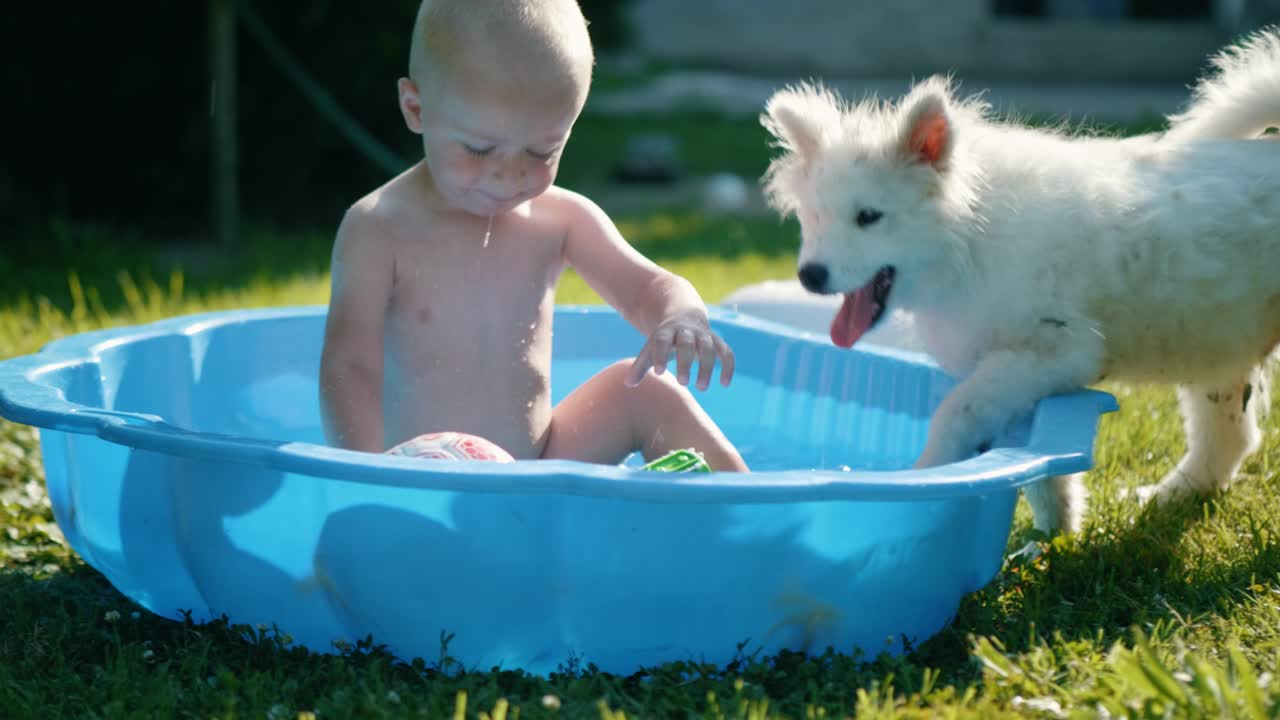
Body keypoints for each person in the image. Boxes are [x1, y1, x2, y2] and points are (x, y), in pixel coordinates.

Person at [318, 0, 748, 471]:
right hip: (424, 475)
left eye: (542, 151)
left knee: (645, 389)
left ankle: (746, 516)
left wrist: (680, 317)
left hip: (539, 463)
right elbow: (349, 368)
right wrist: (368, 473)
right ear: (416, 109)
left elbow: (648, 287)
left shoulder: (559, 219)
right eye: (479, 149)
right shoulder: (378, 228)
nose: (509, 176)